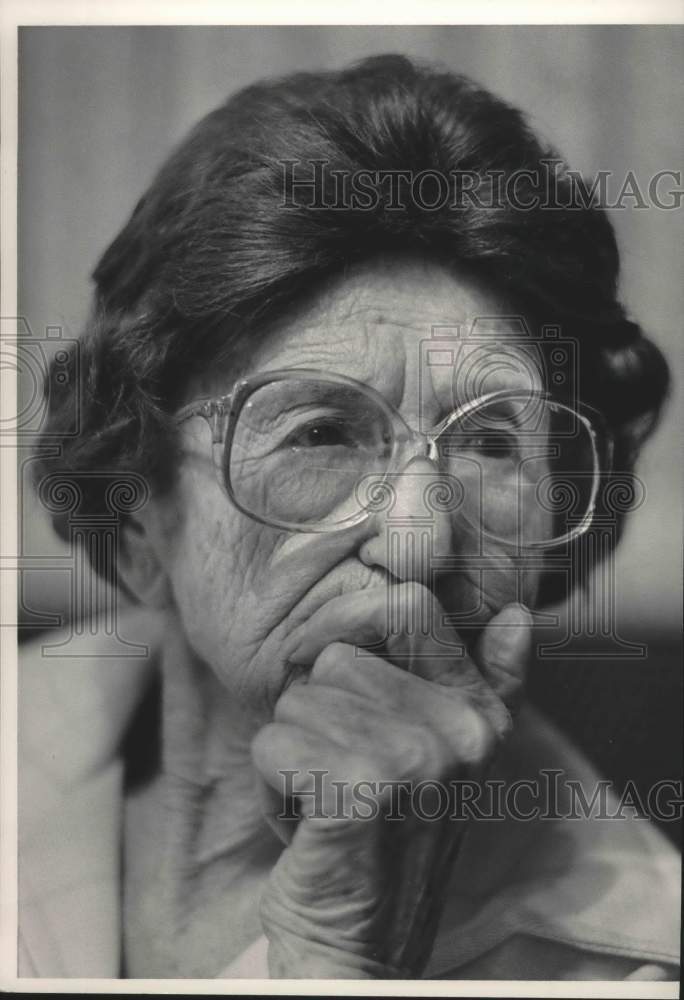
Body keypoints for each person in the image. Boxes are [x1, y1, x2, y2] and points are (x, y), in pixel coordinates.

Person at [19, 54, 680, 980]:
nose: (420, 540)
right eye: (322, 432)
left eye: (493, 446)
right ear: (138, 523)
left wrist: (341, 959)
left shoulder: (632, 964)